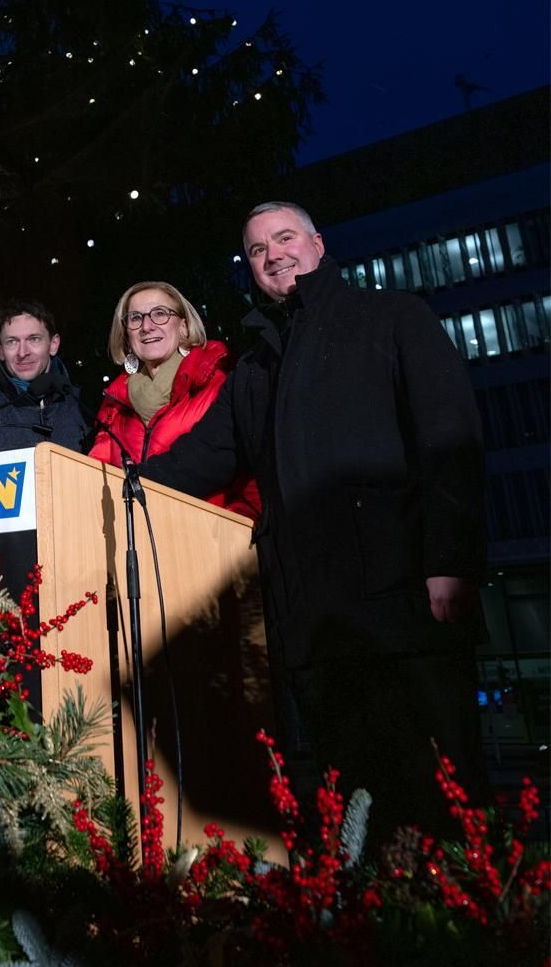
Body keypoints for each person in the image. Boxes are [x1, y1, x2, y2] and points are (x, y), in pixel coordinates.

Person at [141, 202, 487, 841]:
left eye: (285, 238)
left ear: (318, 244)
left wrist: (452, 559)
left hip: (405, 608)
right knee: (349, 809)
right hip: (313, 624)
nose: (273, 255)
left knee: (439, 799)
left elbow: (451, 442)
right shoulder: (254, 367)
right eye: (257, 249)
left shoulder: (392, 318)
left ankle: (459, 934)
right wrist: (120, 482)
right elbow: (202, 458)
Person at [88, 281, 259, 518]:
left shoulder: (217, 385)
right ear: (126, 334)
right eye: (135, 318)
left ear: (184, 327)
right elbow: (94, 481)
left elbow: (252, 478)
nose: (146, 326)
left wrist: (228, 535)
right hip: (133, 546)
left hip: (204, 543)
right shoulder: (115, 406)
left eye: (160, 314)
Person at [0, 300, 87, 453]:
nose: (22, 352)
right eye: (12, 342)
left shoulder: (84, 407)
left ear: (53, 344)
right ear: (0, 350)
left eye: (34, 339)